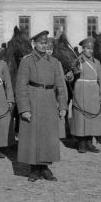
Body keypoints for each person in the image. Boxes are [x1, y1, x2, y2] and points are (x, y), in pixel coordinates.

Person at [15, 30, 67, 182]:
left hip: (49, 101)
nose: (44, 46)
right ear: (34, 44)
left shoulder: (55, 62)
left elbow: (61, 87)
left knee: (48, 136)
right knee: (33, 136)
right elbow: (21, 87)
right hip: (33, 100)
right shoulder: (27, 61)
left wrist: (62, 106)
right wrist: (24, 109)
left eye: (46, 43)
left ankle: (45, 168)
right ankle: (34, 170)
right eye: (41, 43)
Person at [70, 37, 101, 154]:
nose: (90, 51)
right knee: (81, 116)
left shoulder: (97, 62)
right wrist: (75, 67)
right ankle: (81, 142)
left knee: (92, 117)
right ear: (83, 49)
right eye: (87, 48)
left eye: (91, 49)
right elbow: (73, 73)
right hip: (81, 91)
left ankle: (89, 142)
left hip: (94, 92)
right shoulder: (78, 60)